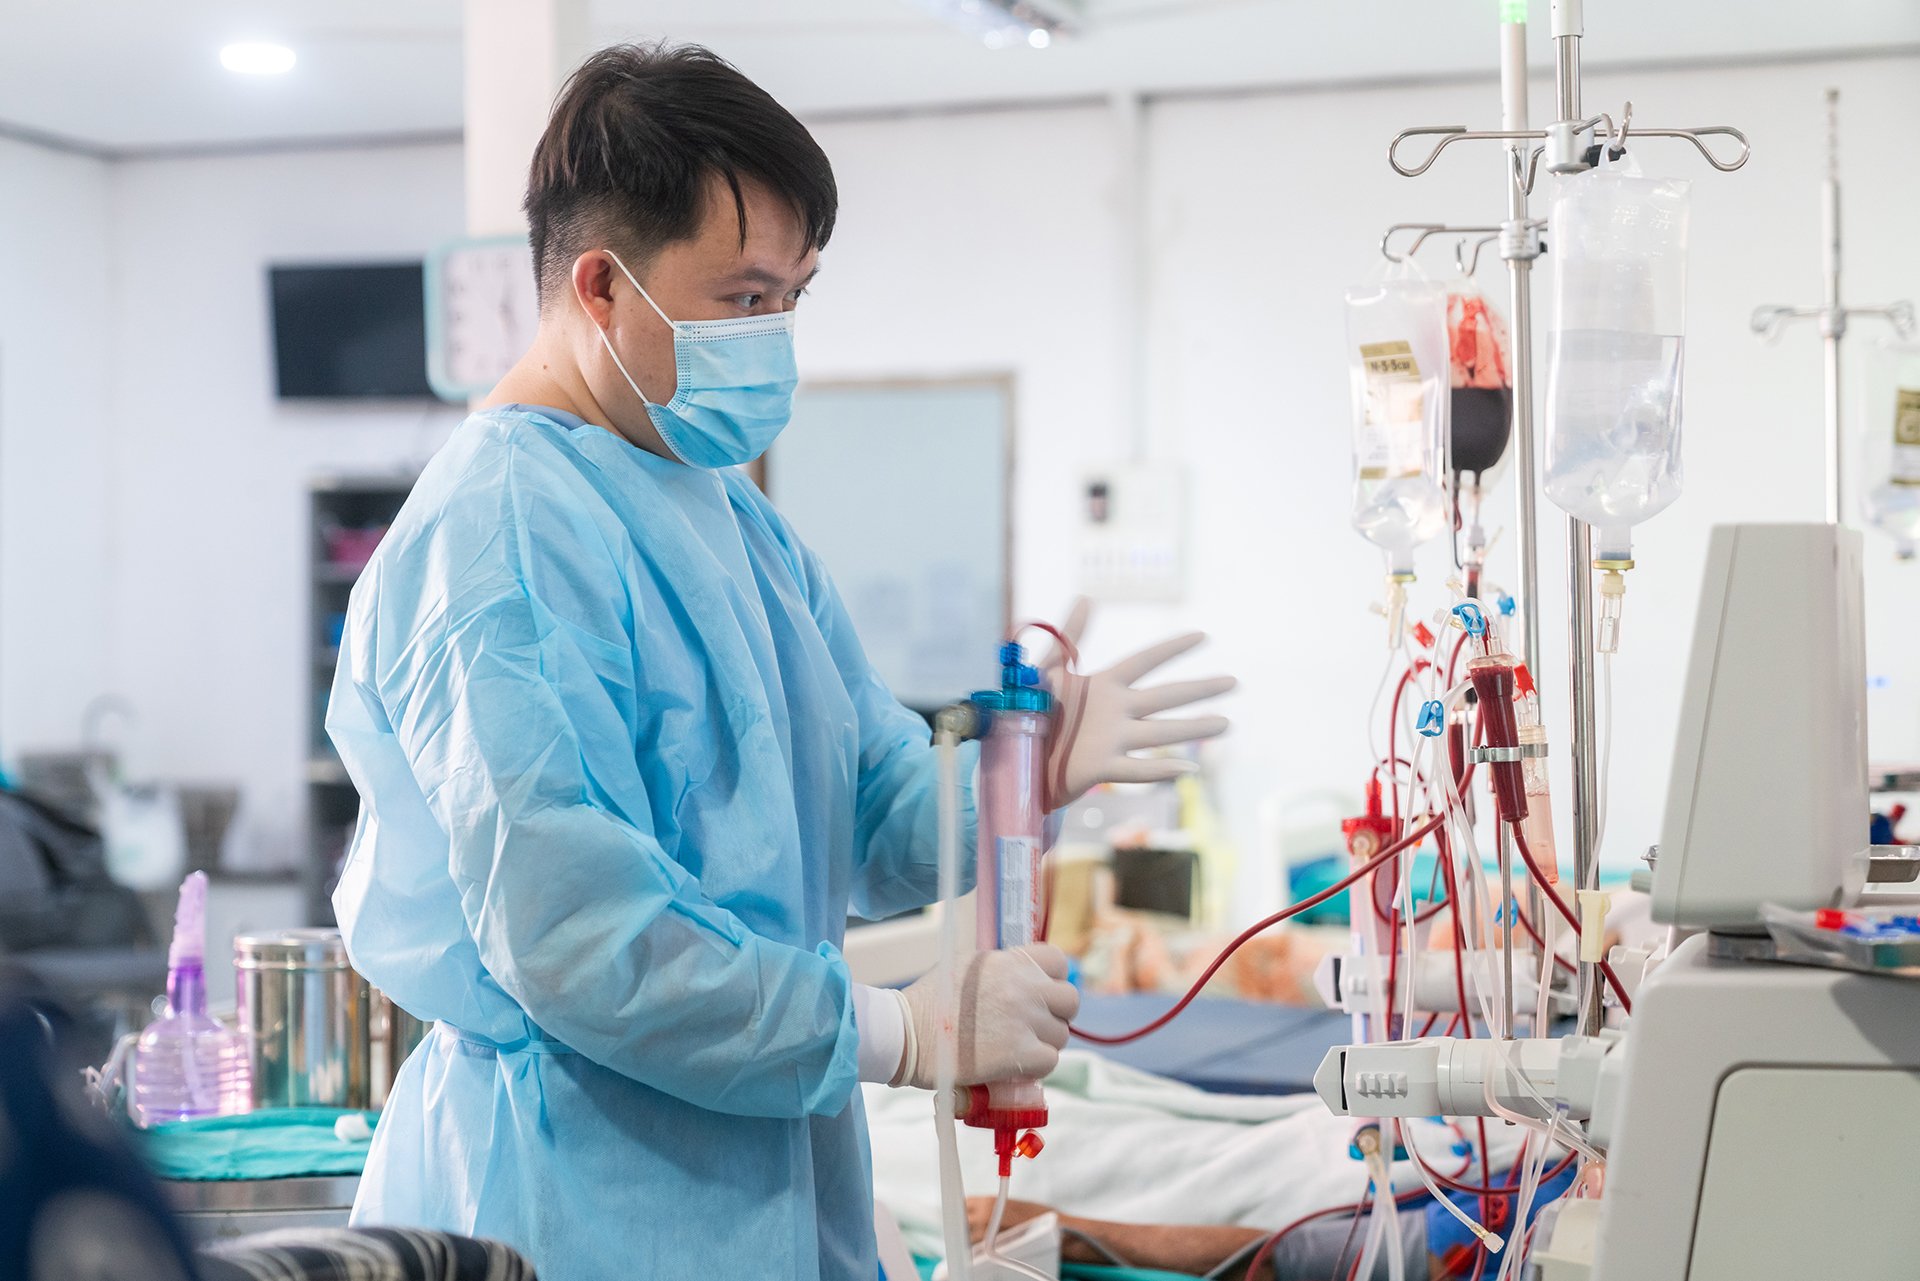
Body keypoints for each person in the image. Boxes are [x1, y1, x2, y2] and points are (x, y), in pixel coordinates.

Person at [326, 42, 1235, 1281]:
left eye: (794, 298)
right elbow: (578, 941)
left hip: (771, 1176)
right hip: (573, 1194)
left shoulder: (732, 520)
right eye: (745, 298)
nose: (776, 338)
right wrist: (901, 1032)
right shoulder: (500, 531)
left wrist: (1023, 770)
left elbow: (868, 809)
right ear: (602, 286)